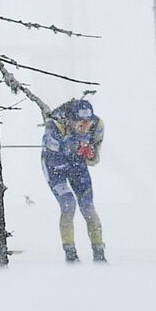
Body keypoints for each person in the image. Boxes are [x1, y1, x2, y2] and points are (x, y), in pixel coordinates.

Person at [28, 92, 106, 264]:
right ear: (70, 119)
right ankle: (70, 253)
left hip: (78, 165)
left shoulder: (97, 125)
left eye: (88, 122)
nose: (85, 126)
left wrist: (90, 153)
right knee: (68, 204)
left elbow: (94, 159)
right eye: (80, 122)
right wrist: (72, 144)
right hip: (55, 167)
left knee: (87, 206)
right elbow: (52, 147)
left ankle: (99, 252)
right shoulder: (55, 124)